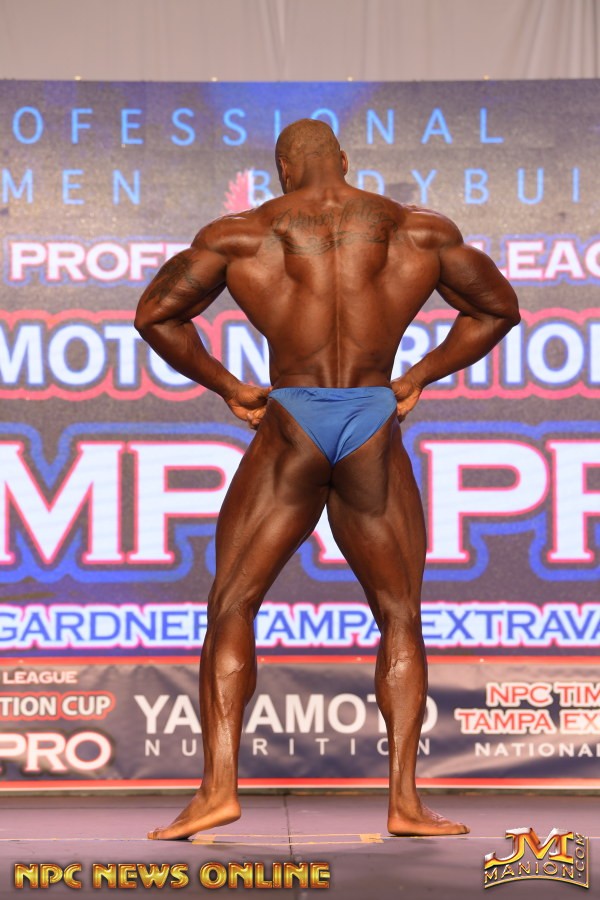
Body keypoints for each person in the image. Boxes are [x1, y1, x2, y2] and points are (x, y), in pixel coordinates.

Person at [134, 118, 519, 840]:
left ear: (282, 168)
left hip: (292, 418)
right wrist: (418, 375)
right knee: (399, 613)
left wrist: (228, 385)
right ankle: (404, 803)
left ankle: (217, 791)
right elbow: (498, 309)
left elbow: (156, 315)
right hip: (372, 416)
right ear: (343, 159)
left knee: (232, 603)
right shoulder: (419, 230)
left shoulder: (242, 234)